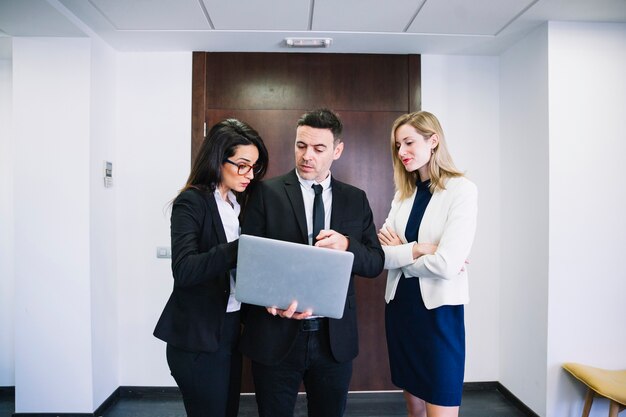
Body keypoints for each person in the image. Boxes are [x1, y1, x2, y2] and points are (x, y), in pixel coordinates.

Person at [239, 108, 384, 417]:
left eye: (319, 149)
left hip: (334, 341)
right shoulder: (265, 193)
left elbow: (374, 262)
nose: (307, 155)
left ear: (337, 150)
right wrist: (266, 300)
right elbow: (246, 261)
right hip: (275, 334)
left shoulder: (355, 199)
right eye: (301, 145)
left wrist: (346, 245)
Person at [153, 119, 268, 417]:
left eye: (253, 167)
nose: (249, 175)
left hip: (230, 330)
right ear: (219, 159)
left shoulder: (237, 204)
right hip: (196, 336)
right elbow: (185, 269)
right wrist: (240, 248)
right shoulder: (191, 202)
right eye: (242, 165)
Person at [377, 111, 478, 417]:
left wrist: (403, 256)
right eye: (398, 145)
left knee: (441, 407)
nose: (401, 152)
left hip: (439, 317)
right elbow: (382, 254)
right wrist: (419, 250)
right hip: (401, 311)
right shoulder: (403, 195)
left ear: (433, 141)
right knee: (415, 410)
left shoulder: (461, 190)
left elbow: (447, 265)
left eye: (408, 142)